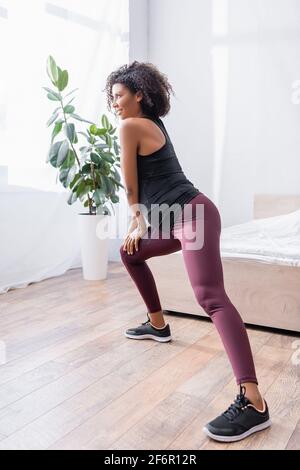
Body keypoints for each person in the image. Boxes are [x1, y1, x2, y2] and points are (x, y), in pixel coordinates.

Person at [104, 61, 271, 442]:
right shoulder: (153, 124)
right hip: (175, 219)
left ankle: (254, 401)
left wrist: (138, 220)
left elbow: (131, 187)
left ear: (140, 95)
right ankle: (158, 324)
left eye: (120, 96)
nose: (114, 104)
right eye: (111, 98)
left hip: (193, 216)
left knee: (210, 297)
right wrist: (142, 223)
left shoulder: (131, 126)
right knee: (130, 253)